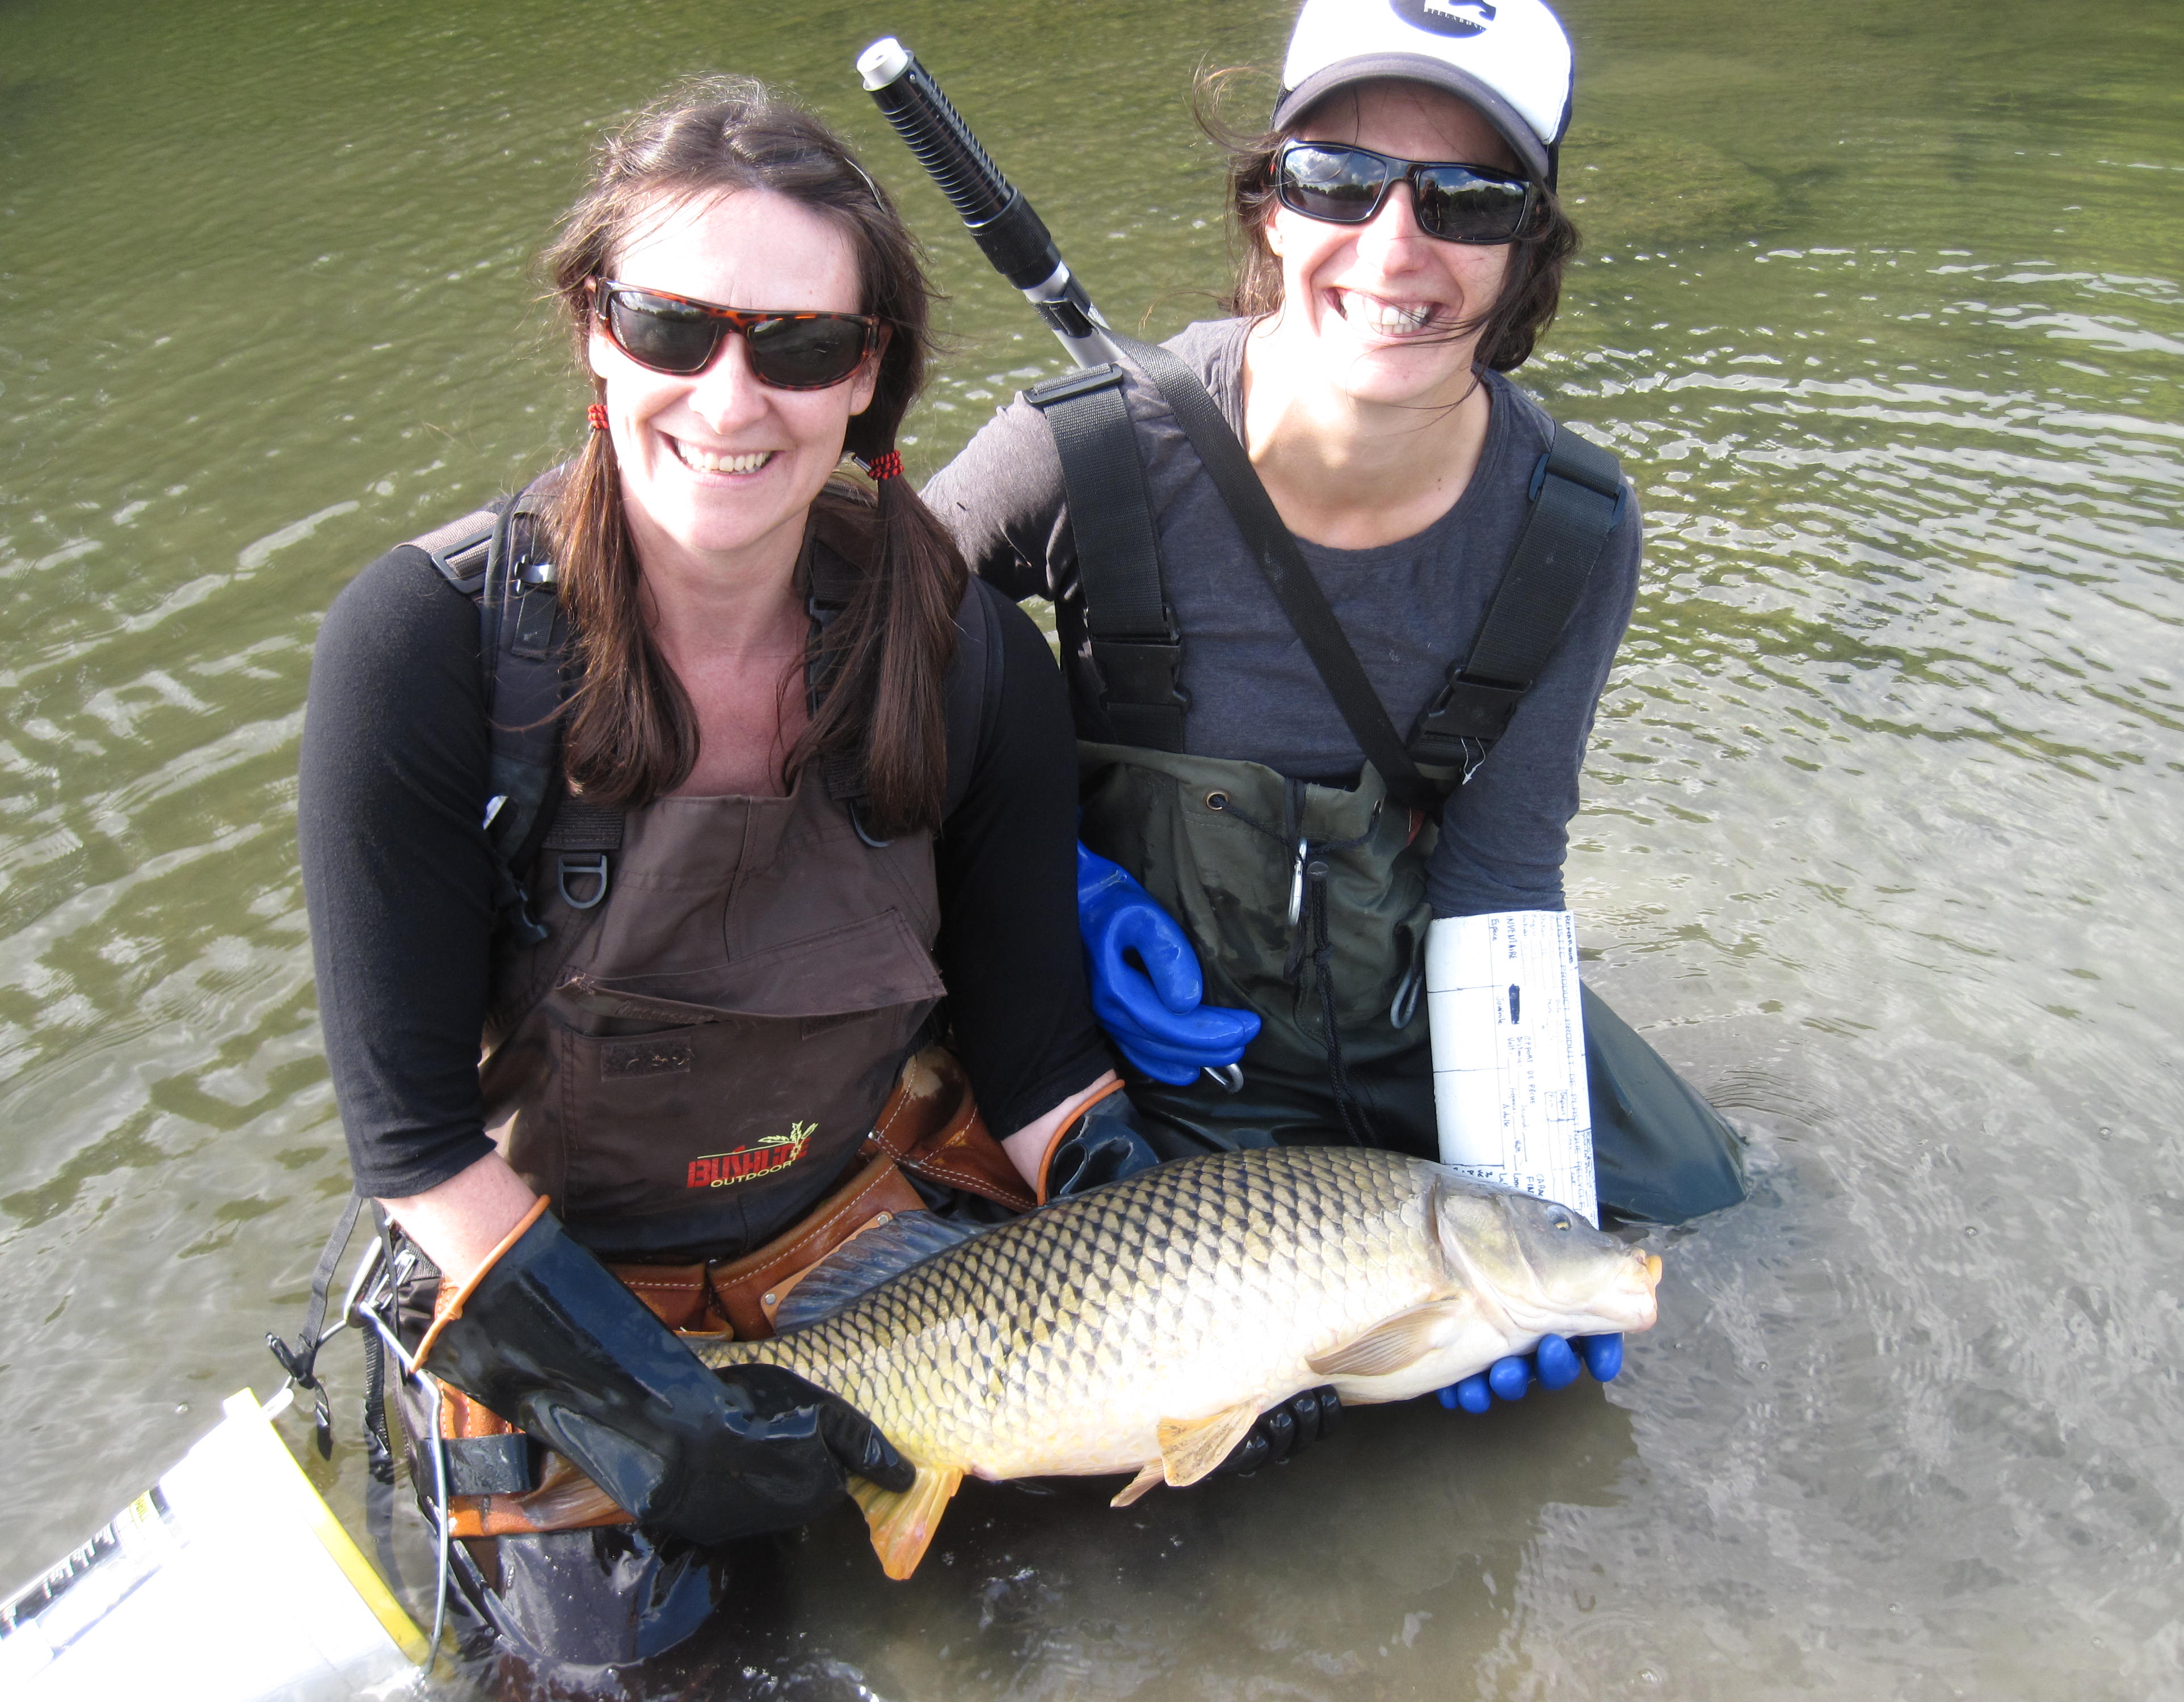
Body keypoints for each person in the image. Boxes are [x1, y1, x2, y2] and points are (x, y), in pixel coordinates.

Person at [297, 77, 1152, 1665]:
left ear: (868, 379)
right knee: (653, 1668)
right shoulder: (423, 648)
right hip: (555, 1274)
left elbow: (1035, 1055)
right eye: (675, 328)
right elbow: (408, 1140)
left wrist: (1188, 1271)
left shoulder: (973, 658)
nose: (733, 395)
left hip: (868, 1231)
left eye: (801, 344)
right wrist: (651, 1419)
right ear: (595, 335)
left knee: (1169, 1551)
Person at [924, 0, 1746, 1412]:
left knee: (1705, 1206)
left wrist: (1521, 1220)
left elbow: (1498, 871)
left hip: (1395, 981)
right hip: (1139, 1017)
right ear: (1270, 208)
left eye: (1468, 200)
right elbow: (825, 682)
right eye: (1337, 180)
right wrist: (1048, 889)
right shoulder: (1077, 450)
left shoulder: (1574, 528)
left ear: (1526, 252)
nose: (1392, 247)